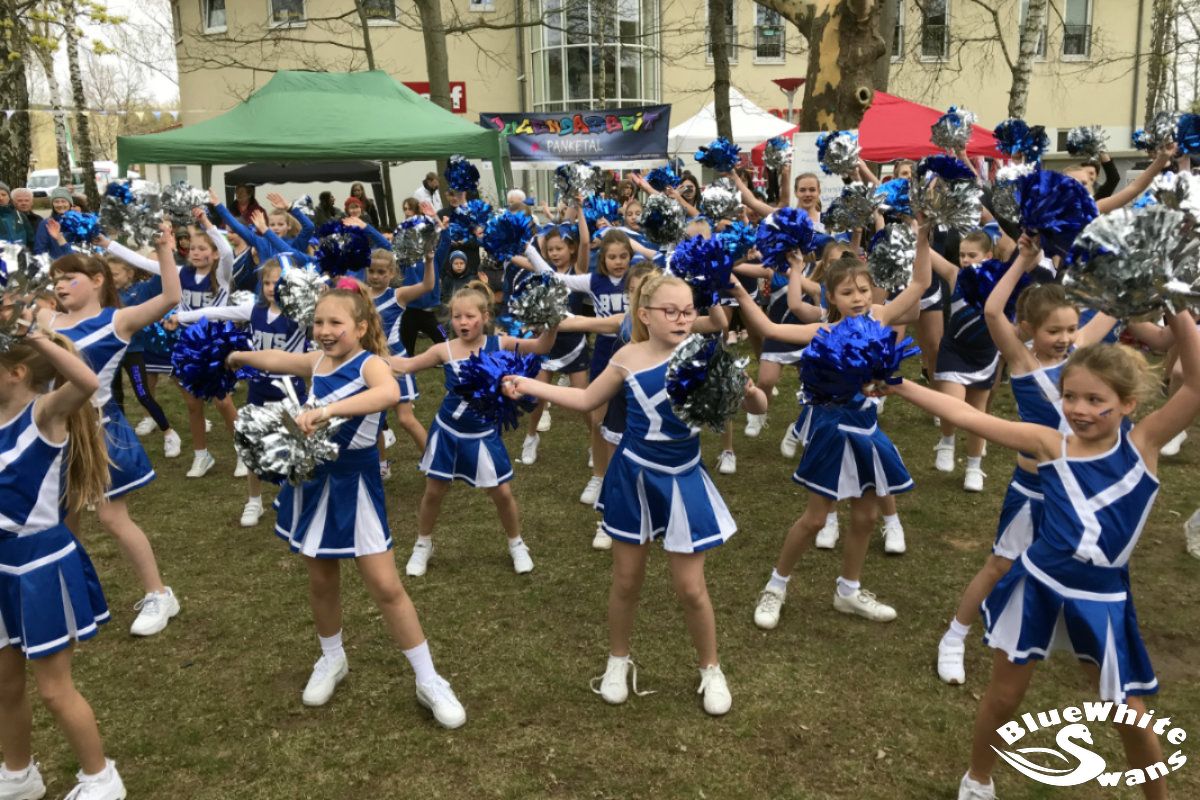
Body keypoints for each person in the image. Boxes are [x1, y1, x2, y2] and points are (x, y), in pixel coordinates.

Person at [886, 310, 1200, 800]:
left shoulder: (1143, 445)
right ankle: (978, 779)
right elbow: (969, 417)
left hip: (1101, 597)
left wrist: (1177, 306)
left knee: (1129, 715)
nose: (1078, 409)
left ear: (1127, 403)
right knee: (1004, 697)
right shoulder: (1049, 443)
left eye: (1095, 400)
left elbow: (1195, 386)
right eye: (1070, 396)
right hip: (1039, 583)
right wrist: (897, 384)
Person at [503, 272, 768, 716]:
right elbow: (587, 400)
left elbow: (758, 407)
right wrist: (528, 384)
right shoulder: (627, 356)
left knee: (691, 589)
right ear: (644, 314)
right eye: (671, 311)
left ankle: (711, 668)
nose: (682, 319)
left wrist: (750, 392)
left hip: (683, 478)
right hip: (634, 477)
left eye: (689, 311)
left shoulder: (705, 355)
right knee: (627, 580)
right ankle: (617, 660)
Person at [226, 281, 466, 727]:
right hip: (315, 482)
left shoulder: (370, 363)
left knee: (386, 586)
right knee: (321, 579)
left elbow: (388, 394)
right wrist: (242, 356)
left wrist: (329, 411)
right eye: (318, 322)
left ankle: (428, 678)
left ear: (360, 327)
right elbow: (278, 359)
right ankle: (332, 657)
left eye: (335, 322)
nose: (324, 330)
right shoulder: (316, 360)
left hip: (355, 484)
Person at [935, 239, 1118, 686]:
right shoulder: (1021, 361)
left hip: (1076, 492)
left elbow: (1114, 308)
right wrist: (1022, 259)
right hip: (1032, 491)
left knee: (1084, 567)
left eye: (1071, 328)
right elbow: (993, 311)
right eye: (1054, 331)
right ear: (1029, 329)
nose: (1066, 338)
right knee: (1000, 565)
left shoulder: (1080, 351)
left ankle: (1091, 646)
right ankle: (954, 636)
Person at [734, 221, 932, 630]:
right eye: (847, 292)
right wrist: (736, 290)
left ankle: (849, 591)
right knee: (814, 519)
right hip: (831, 430)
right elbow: (769, 329)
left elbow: (919, 284)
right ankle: (775, 585)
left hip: (867, 430)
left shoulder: (880, 316)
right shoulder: (823, 330)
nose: (858, 298)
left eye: (863, 290)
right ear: (832, 297)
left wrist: (924, 238)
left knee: (865, 518)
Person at [0, 324, 128, 800]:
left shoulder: (44, 414)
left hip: (40, 565)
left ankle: (101, 778)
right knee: (5, 684)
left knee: (54, 689)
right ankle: (19, 774)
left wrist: (35, 334)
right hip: (1, 567)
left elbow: (87, 383)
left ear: (16, 372)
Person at [40, 224, 183, 637]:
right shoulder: (46, 318)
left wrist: (164, 249)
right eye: (56, 279)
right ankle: (72, 594)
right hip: (52, 435)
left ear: (97, 280)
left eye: (70, 277)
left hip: (99, 432)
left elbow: (170, 297)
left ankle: (159, 593)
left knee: (112, 517)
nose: (60, 285)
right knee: (61, 520)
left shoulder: (116, 321)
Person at [392, 282, 558, 578]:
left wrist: (553, 322)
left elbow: (541, 347)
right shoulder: (442, 349)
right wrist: (366, 357)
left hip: (482, 434)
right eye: (457, 317)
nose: (462, 322)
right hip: (447, 431)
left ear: (485, 316)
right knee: (434, 491)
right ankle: (423, 543)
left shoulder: (500, 343)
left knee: (502, 493)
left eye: (470, 316)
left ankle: (516, 543)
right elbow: (405, 366)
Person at [169, 255, 308, 528]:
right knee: (252, 447)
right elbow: (217, 312)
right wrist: (181, 316)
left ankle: (293, 497)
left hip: (291, 394)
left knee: (294, 449)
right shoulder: (254, 310)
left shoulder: (301, 315)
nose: (272, 288)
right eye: (267, 283)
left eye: (278, 283)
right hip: (259, 391)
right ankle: (254, 501)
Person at [931, 230, 1003, 492]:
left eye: (972, 255)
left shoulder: (999, 283)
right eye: (962, 255)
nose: (965, 260)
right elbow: (928, 255)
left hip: (984, 354)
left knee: (977, 414)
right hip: (955, 350)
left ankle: (974, 467)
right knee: (952, 403)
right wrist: (917, 232)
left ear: (988, 256)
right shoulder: (955, 275)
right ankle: (947, 441)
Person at [516, 223, 591, 466]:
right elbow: (524, 258)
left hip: (574, 343)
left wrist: (579, 212)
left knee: (584, 400)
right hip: (546, 343)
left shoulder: (578, 271)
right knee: (537, 395)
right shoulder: (542, 273)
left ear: (571, 248)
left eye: (559, 248)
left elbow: (586, 243)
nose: (555, 253)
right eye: (550, 250)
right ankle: (531, 437)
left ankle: (595, 443)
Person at [364, 246, 437, 474]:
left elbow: (427, 286)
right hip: (370, 366)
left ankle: (434, 463)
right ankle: (381, 465)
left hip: (396, 364)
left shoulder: (397, 296)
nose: (376, 276)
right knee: (374, 421)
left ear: (392, 273)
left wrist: (428, 261)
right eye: (372, 271)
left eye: (381, 272)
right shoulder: (360, 296)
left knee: (405, 419)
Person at [106, 255, 181, 460]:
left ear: (129, 273)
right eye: (108, 274)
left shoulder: (143, 290)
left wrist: (163, 253)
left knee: (143, 394)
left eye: (115, 274)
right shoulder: (104, 294)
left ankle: (169, 433)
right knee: (114, 396)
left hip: (133, 351)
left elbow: (162, 276)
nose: (111, 278)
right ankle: (120, 438)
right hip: (112, 352)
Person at [33, 188, 73, 258]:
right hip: (56, 263)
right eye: (56, 202)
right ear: (52, 205)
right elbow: (40, 250)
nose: (60, 205)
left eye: (63, 201)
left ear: (70, 204)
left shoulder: (78, 223)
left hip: (78, 262)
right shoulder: (46, 223)